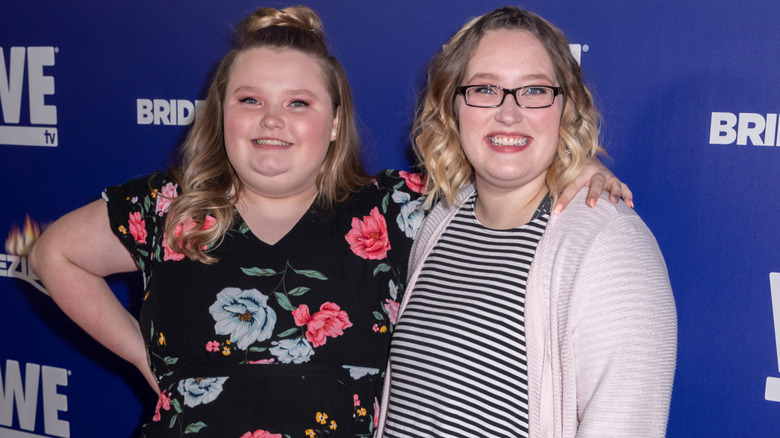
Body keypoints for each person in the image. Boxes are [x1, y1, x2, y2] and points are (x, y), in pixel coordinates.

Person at [29, 6, 629, 438]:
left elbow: (504, 161)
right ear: (221, 115)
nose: (272, 120)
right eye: (249, 100)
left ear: (335, 121)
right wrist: (140, 354)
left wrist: (577, 171)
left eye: (298, 102)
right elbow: (54, 254)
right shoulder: (169, 208)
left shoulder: (396, 210)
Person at [378, 7, 676, 438]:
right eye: (485, 89)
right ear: (453, 105)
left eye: (534, 90)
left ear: (565, 106)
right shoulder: (441, 217)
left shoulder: (610, 246)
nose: (509, 112)